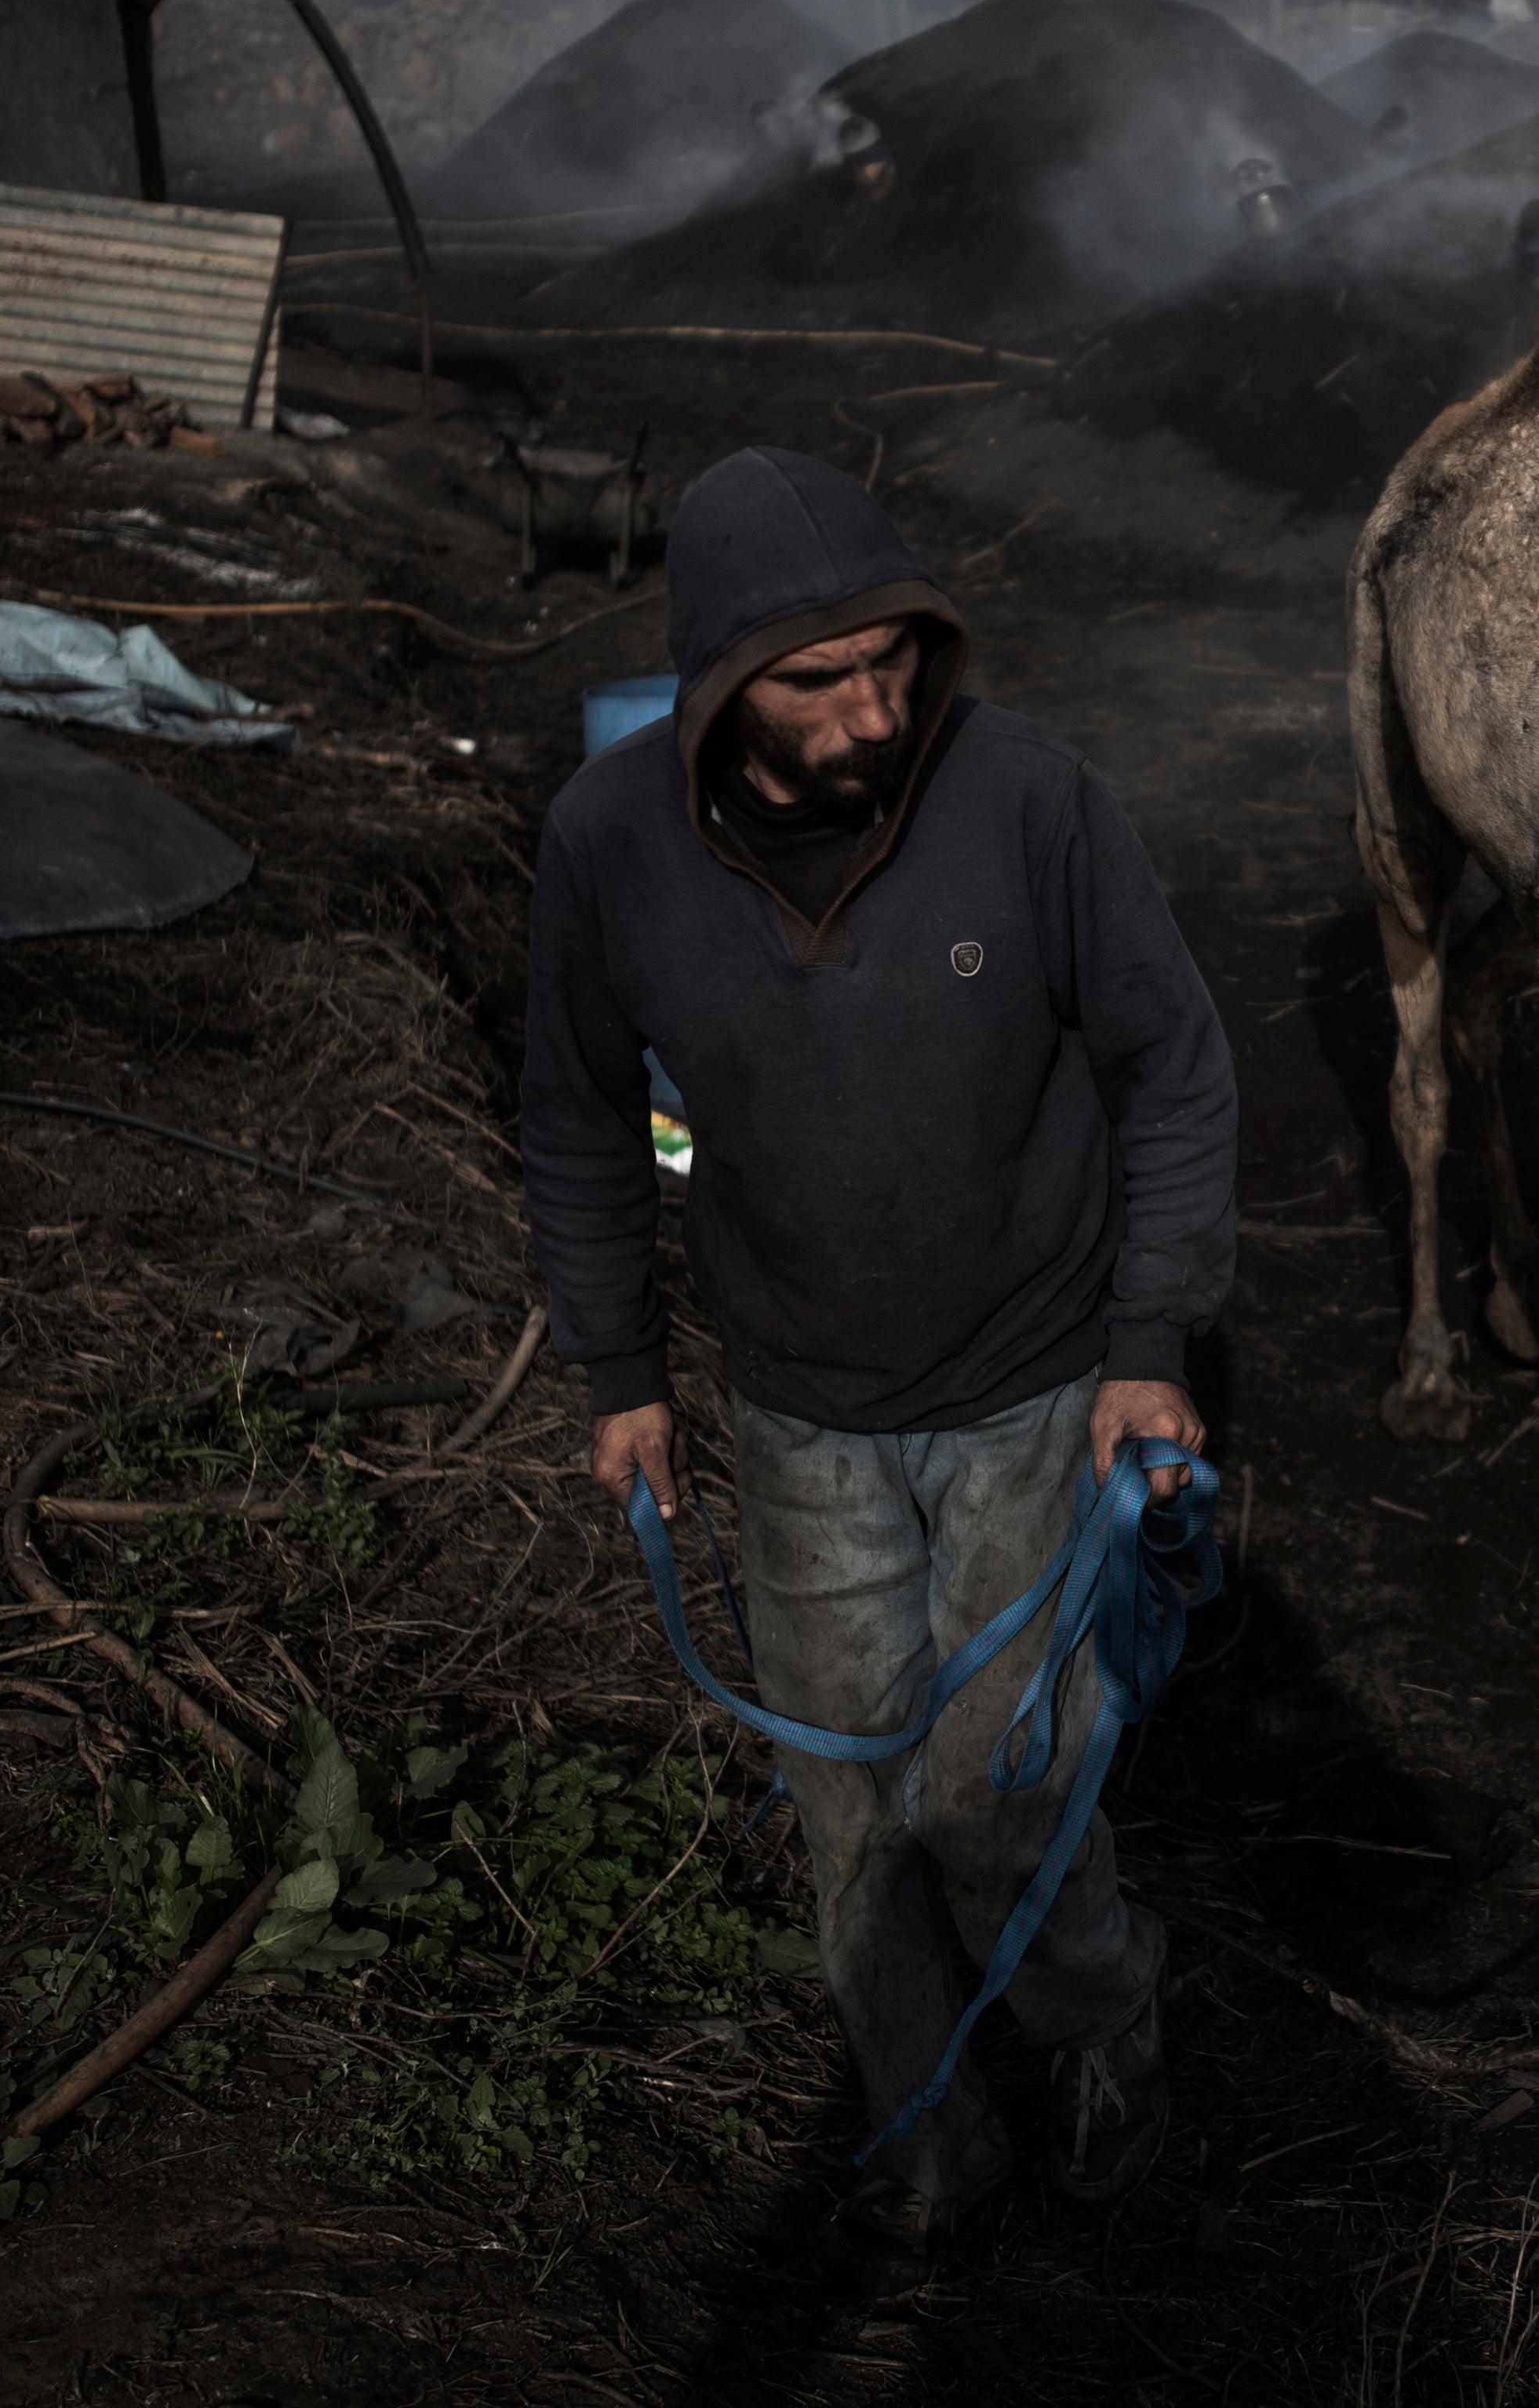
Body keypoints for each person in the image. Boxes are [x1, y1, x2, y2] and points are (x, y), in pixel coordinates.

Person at [519, 447, 1236, 2252]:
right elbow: (583, 1122)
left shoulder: (1030, 801)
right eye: (819, 679)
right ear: (712, 692)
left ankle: (1100, 2018)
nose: (875, 707)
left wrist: (1150, 1343)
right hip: (799, 1408)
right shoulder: (607, 846)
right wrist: (620, 1372)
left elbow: (1173, 1062)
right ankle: (923, 2123)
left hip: (1033, 1383)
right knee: (852, 1815)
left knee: (1004, 1788)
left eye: (895, 661)